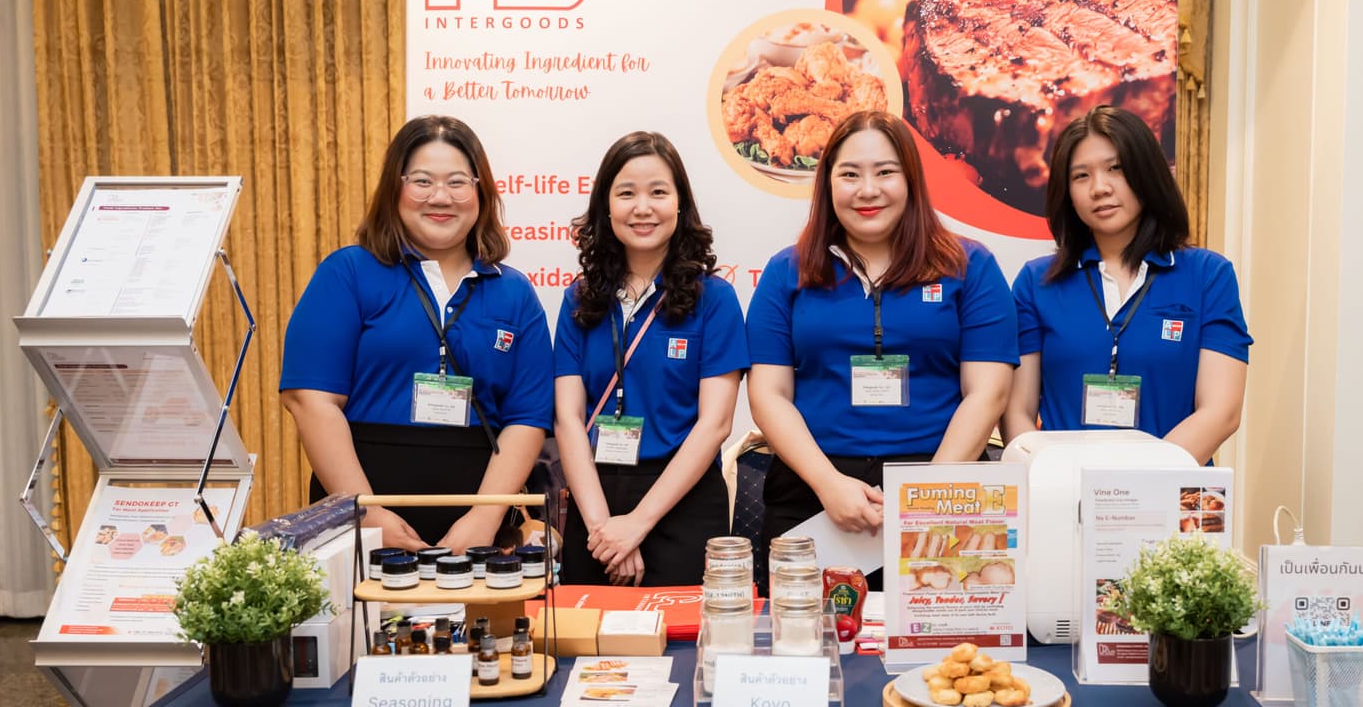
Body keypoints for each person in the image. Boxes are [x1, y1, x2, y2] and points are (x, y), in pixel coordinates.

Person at [746, 110, 1017, 581]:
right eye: (849, 174)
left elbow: (988, 392)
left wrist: (924, 498)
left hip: (944, 488)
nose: (867, 190)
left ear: (911, 179)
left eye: (885, 172)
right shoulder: (787, 271)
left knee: (941, 649)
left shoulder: (969, 266)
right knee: (808, 644)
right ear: (827, 184)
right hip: (814, 491)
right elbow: (768, 395)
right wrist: (829, 484)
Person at [280, 115, 552, 553]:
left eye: (458, 182)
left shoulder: (514, 292)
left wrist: (485, 518)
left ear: (481, 192)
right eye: (422, 181)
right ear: (395, 188)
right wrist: (363, 510)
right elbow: (309, 400)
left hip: (478, 524)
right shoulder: (348, 272)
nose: (440, 197)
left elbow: (527, 418)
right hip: (363, 513)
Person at [1003, 105, 1251, 464]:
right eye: (1081, 176)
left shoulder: (1208, 276)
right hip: (1064, 500)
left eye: (1115, 168)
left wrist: (1128, 492)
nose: (1100, 188)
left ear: (1147, 174)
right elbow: (1016, 412)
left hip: (1169, 499)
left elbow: (1222, 412)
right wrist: (1057, 481)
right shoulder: (1035, 282)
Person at [554, 131, 748, 586]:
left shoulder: (714, 299)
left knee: (684, 651)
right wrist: (604, 529)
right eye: (626, 193)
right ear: (605, 206)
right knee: (589, 652)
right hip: (594, 500)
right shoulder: (580, 299)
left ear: (680, 204)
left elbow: (715, 424)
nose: (643, 207)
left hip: (683, 502)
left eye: (658, 192)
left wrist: (637, 523)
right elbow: (567, 417)